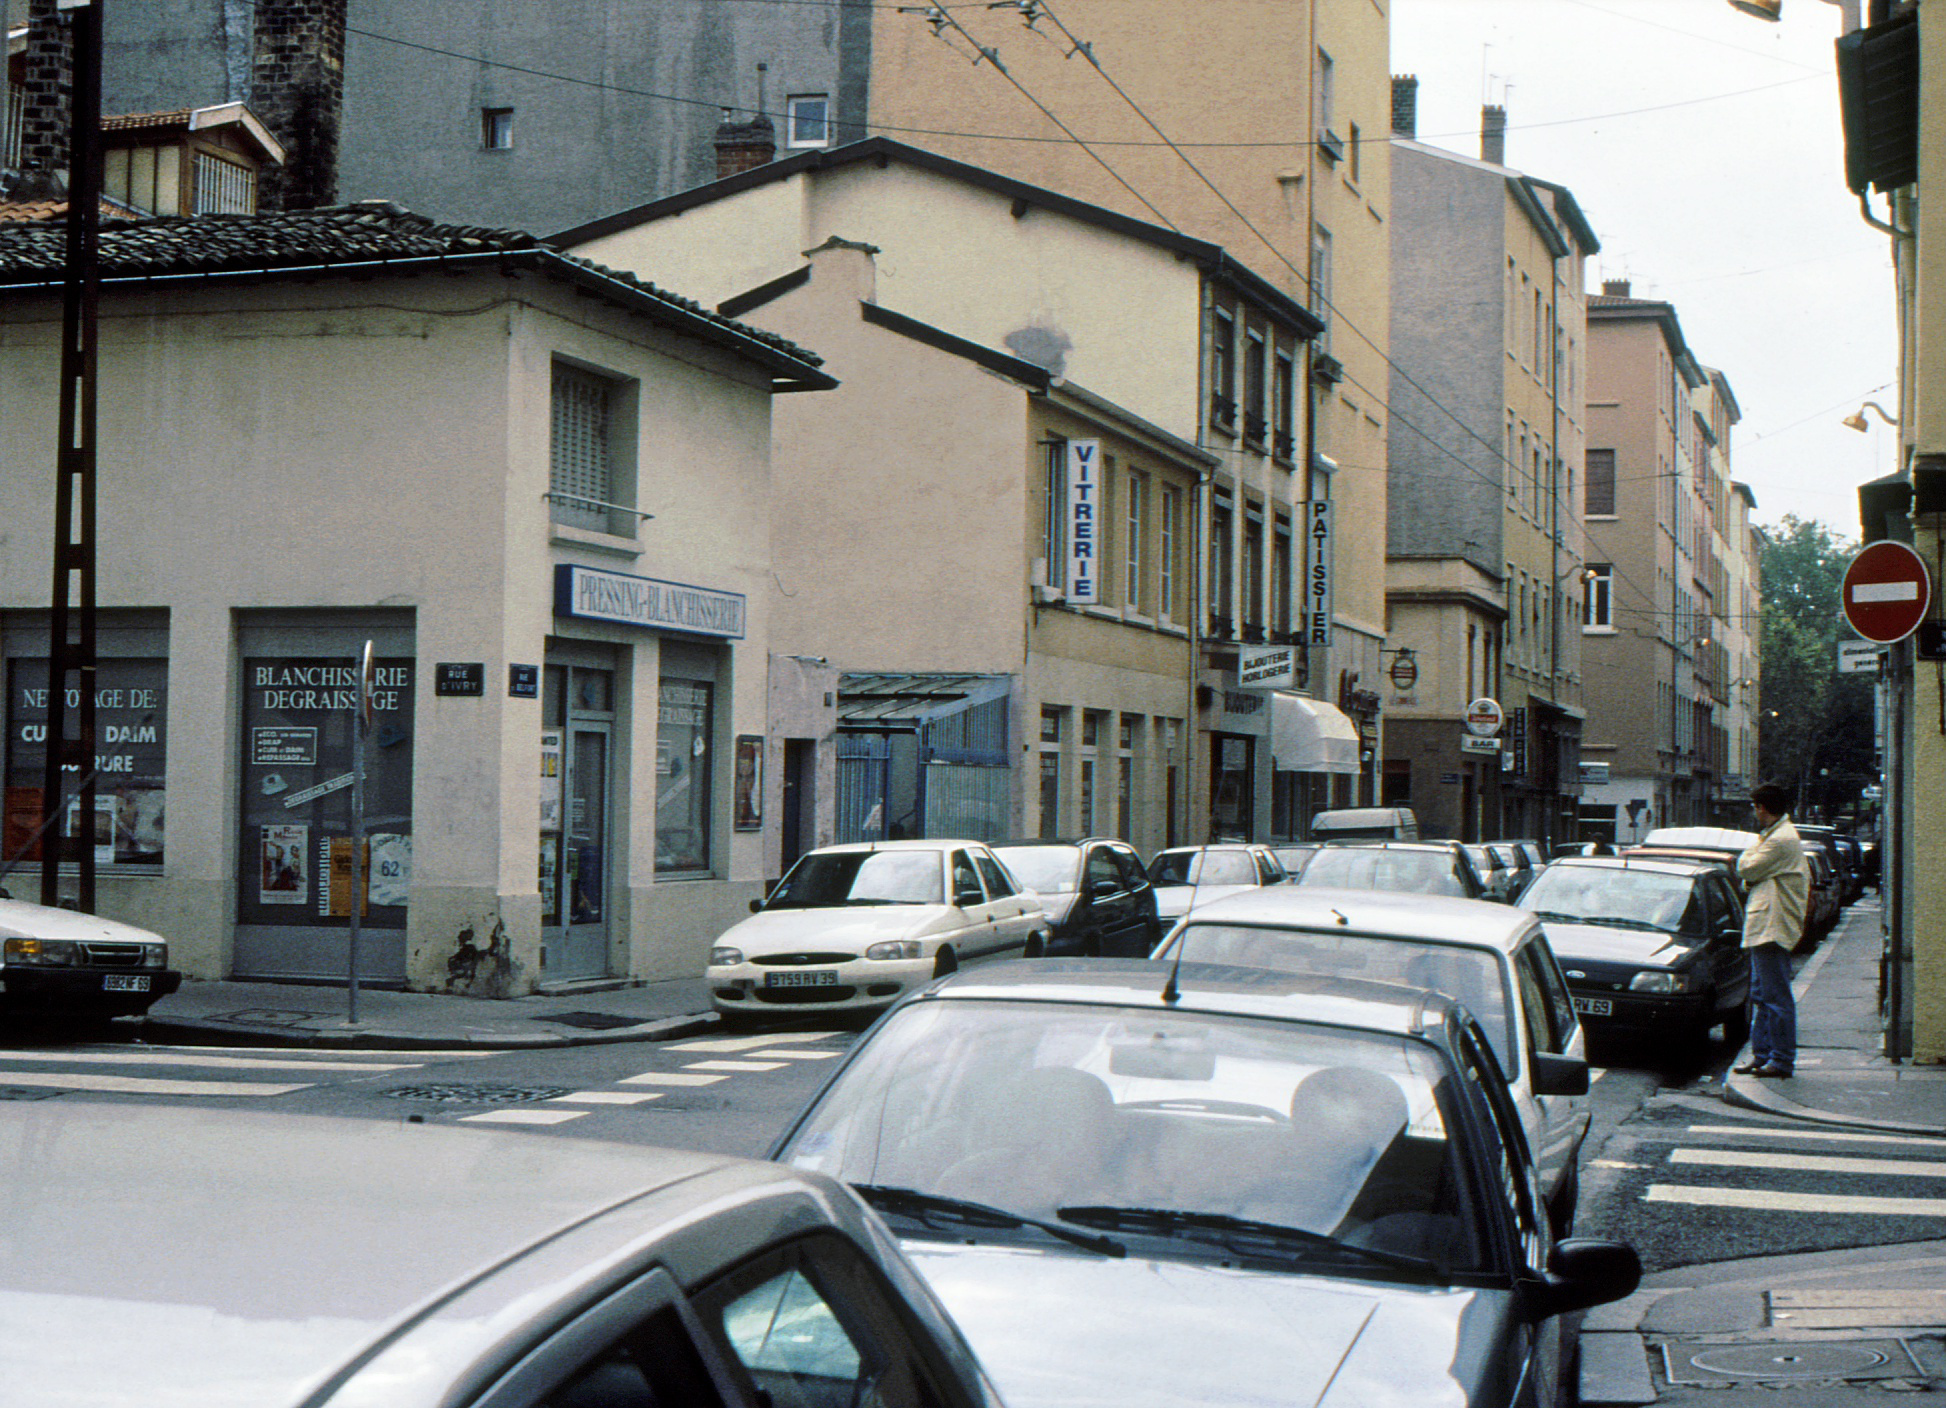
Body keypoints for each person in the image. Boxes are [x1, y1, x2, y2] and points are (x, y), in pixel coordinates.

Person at [1733, 781, 1811, 1079]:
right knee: (1761, 994)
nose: (1754, 813)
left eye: (1755, 807)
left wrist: (1752, 872)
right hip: (1764, 926)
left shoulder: (1779, 839)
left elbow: (1746, 869)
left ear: (1762, 807)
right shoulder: (1774, 835)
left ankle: (1781, 1059)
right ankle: (1763, 1054)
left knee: (1775, 997)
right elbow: (1752, 872)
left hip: (1772, 927)